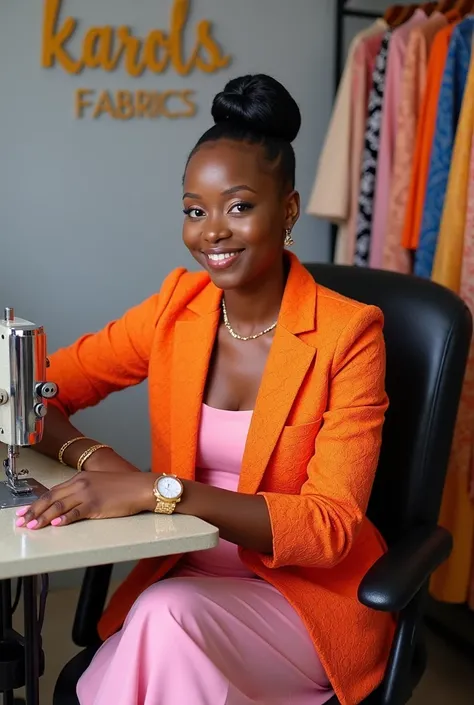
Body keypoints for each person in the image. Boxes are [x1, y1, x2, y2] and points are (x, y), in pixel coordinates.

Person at [16, 74, 393, 705]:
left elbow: (330, 527)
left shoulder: (348, 336)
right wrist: (101, 462)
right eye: (196, 210)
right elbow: (37, 393)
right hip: (182, 573)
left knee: (166, 620)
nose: (212, 231)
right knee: (168, 616)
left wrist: (159, 490)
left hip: (298, 600)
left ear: (290, 210)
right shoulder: (177, 307)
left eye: (239, 206)